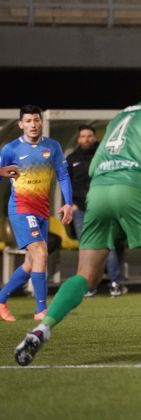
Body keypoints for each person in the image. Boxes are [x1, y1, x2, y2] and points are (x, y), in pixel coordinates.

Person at [14, 65, 141, 366]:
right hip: (133, 188)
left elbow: (93, 167)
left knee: (86, 275)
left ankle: (42, 329)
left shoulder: (122, 115)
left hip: (99, 191)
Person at [0, 105, 74, 323]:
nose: (33, 125)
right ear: (20, 124)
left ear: (41, 122)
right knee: (41, 252)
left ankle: (1, 300)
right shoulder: (11, 149)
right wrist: (11, 173)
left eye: (36, 120)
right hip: (21, 208)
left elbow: (62, 175)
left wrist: (68, 203)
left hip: (42, 210)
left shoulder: (52, 146)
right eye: (28, 121)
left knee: (31, 263)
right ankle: (42, 309)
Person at [67, 125, 127, 297]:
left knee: (107, 246)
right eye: (83, 136)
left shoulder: (104, 155)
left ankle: (115, 282)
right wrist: (70, 205)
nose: (86, 139)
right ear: (79, 139)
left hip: (102, 207)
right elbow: (66, 184)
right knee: (87, 248)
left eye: (89, 136)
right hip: (80, 210)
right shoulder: (72, 158)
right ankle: (90, 285)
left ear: (94, 137)